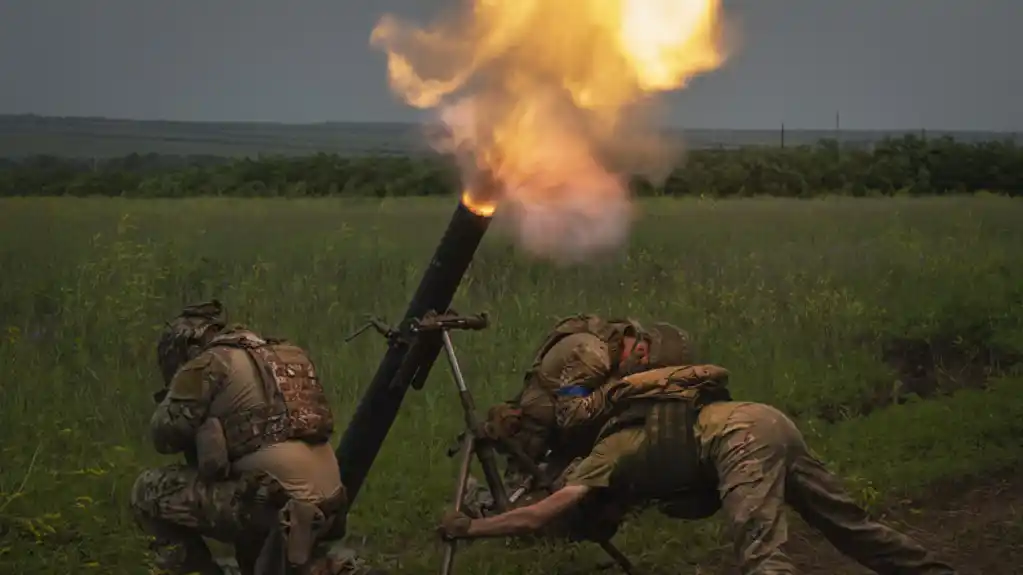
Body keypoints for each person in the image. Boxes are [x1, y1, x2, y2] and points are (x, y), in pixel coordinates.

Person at [437, 362, 959, 575]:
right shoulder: (628, 438)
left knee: (762, 554)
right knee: (846, 525)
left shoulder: (605, 457)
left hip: (740, 440)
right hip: (766, 420)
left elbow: (538, 516)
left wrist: (472, 527)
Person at [130, 300, 381, 575]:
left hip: (272, 503)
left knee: (147, 492)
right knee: (248, 495)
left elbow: (164, 436)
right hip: (331, 501)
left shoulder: (206, 363)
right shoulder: (285, 353)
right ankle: (320, 565)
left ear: (189, 349)